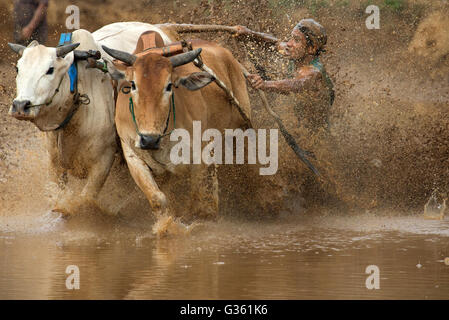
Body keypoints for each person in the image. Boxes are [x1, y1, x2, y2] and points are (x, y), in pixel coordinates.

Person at [236, 19, 335, 131]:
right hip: (298, 126)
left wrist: (264, 84)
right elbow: (275, 43)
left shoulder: (312, 72)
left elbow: (296, 84)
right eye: (291, 38)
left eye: (296, 40)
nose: (289, 43)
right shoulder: (295, 52)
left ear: (312, 48)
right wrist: (249, 33)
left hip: (316, 135)